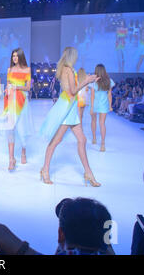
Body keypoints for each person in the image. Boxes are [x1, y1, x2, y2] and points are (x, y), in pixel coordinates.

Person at [39, 47, 100, 186]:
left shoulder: (65, 69)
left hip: (70, 107)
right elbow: (72, 91)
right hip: (67, 108)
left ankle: (88, 173)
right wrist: (87, 81)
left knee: (82, 140)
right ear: (73, 56)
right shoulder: (69, 70)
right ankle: (45, 170)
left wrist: (87, 80)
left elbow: (71, 90)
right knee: (56, 141)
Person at [0, 48, 33, 171]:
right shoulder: (9, 70)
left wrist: (16, 87)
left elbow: (28, 88)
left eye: (17, 56)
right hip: (10, 102)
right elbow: (8, 85)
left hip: (22, 102)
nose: (14, 58)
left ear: (21, 57)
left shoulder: (27, 70)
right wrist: (7, 89)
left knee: (22, 128)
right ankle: (11, 159)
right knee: (10, 128)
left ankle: (23, 152)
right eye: (13, 56)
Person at [90, 64, 115, 152]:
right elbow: (109, 95)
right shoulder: (109, 81)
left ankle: (94, 138)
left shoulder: (94, 81)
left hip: (95, 104)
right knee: (102, 123)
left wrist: (92, 107)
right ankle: (103, 145)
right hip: (104, 104)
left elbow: (92, 95)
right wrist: (110, 106)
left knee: (93, 121)